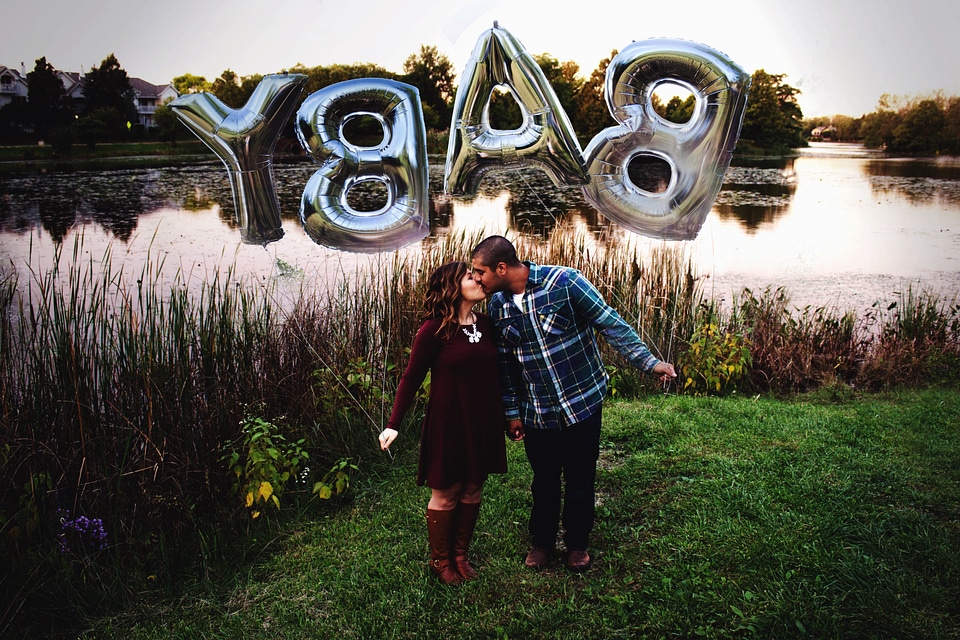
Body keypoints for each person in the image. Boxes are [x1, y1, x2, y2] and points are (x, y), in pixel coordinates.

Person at [470, 235, 677, 573]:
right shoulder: (497, 307)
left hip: (582, 401)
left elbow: (610, 324)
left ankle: (578, 544)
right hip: (538, 411)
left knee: (581, 477)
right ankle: (542, 543)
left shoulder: (566, 282)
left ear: (502, 268)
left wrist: (649, 362)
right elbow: (505, 367)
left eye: (480, 272)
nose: (476, 279)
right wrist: (511, 413)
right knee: (544, 480)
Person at [379, 261, 507, 585]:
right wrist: (394, 423)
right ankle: (441, 560)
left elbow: (499, 375)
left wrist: (509, 416)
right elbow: (411, 377)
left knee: (474, 485)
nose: (479, 279)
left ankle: (461, 555)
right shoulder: (434, 329)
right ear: (452, 286)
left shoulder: (487, 324)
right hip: (449, 422)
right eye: (470, 276)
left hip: (482, 420)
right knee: (447, 491)